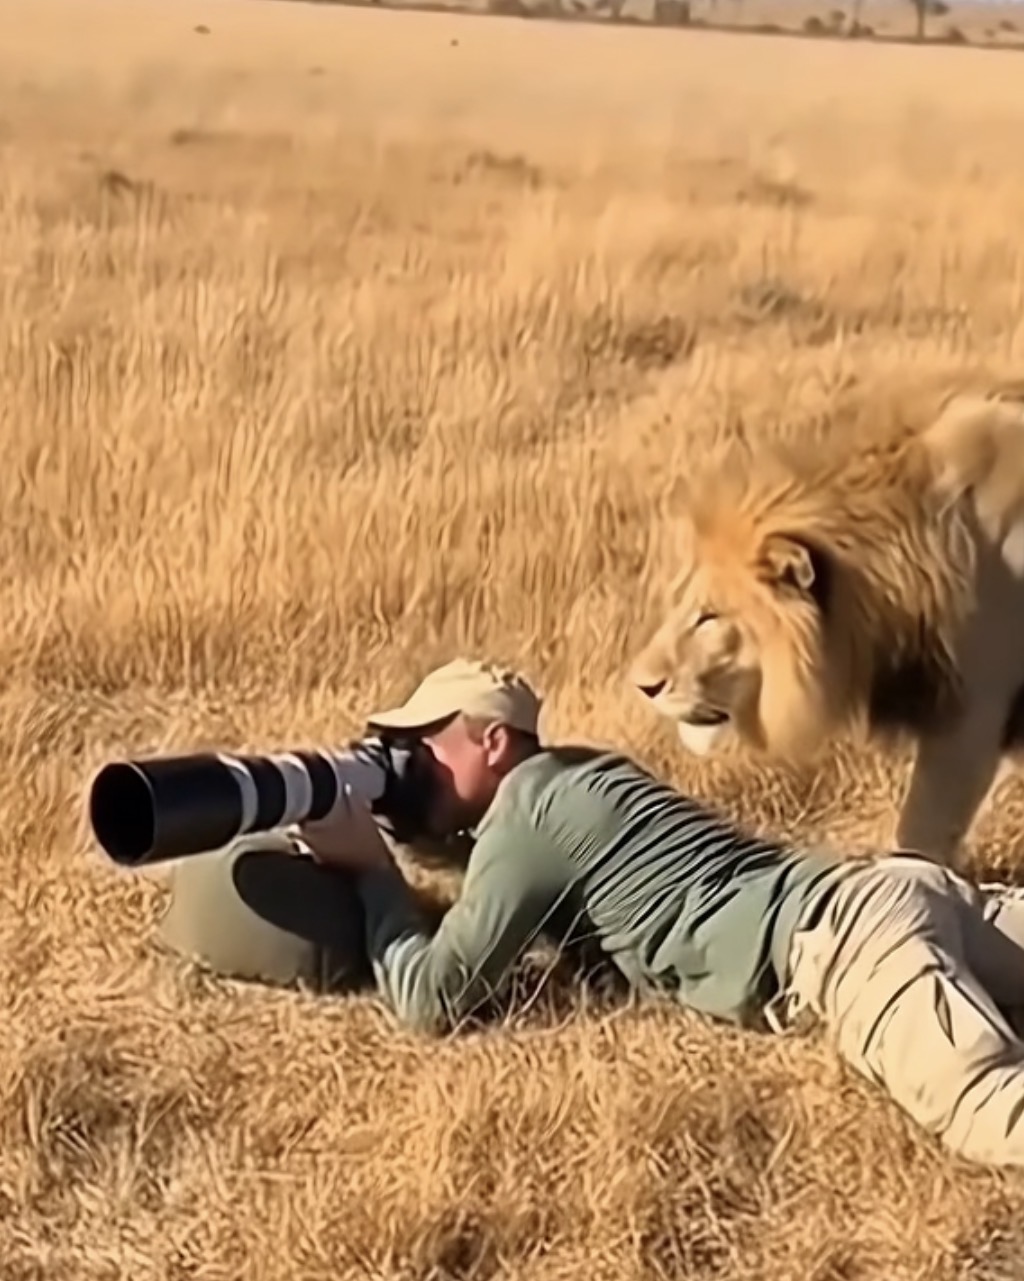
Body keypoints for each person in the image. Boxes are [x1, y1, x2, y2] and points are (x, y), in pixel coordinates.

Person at [157, 657, 1024, 1169]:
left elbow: (433, 1000)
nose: (403, 760)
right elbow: (508, 871)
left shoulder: (529, 819)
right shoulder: (574, 775)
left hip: (844, 948)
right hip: (891, 892)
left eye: (423, 745)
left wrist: (374, 877)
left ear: (491, 741)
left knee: (989, 1107)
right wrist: (401, 819)